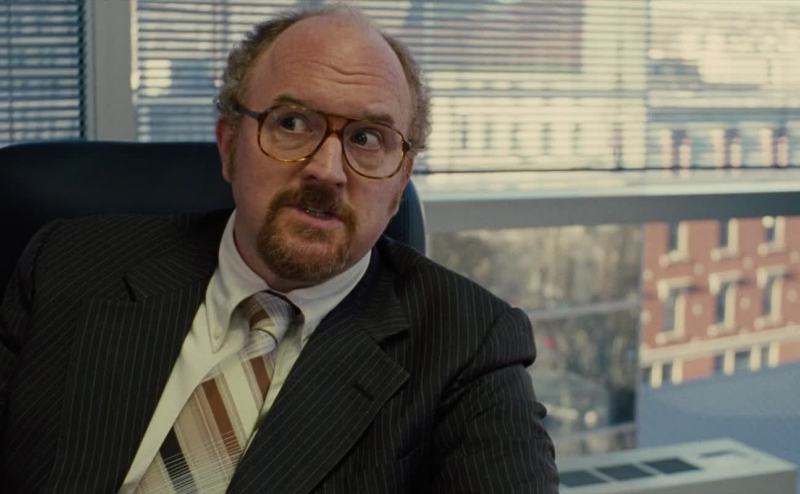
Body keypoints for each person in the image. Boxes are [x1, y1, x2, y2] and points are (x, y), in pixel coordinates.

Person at [0, 5, 558, 493]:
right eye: (292, 123)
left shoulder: (468, 343)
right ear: (228, 146)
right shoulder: (68, 264)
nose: (327, 170)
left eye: (367, 138)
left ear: (400, 181)